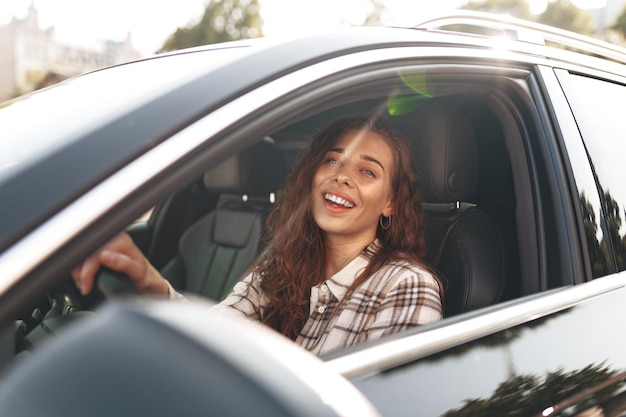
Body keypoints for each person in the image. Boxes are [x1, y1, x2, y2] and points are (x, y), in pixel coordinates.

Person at [72, 113, 443, 356]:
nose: (341, 176)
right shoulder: (283, 263)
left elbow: (385, 400)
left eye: (368, 172)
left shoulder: (407, 284)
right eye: (333, 160)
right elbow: (213, 337)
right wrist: (147, 279)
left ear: (390, 204)